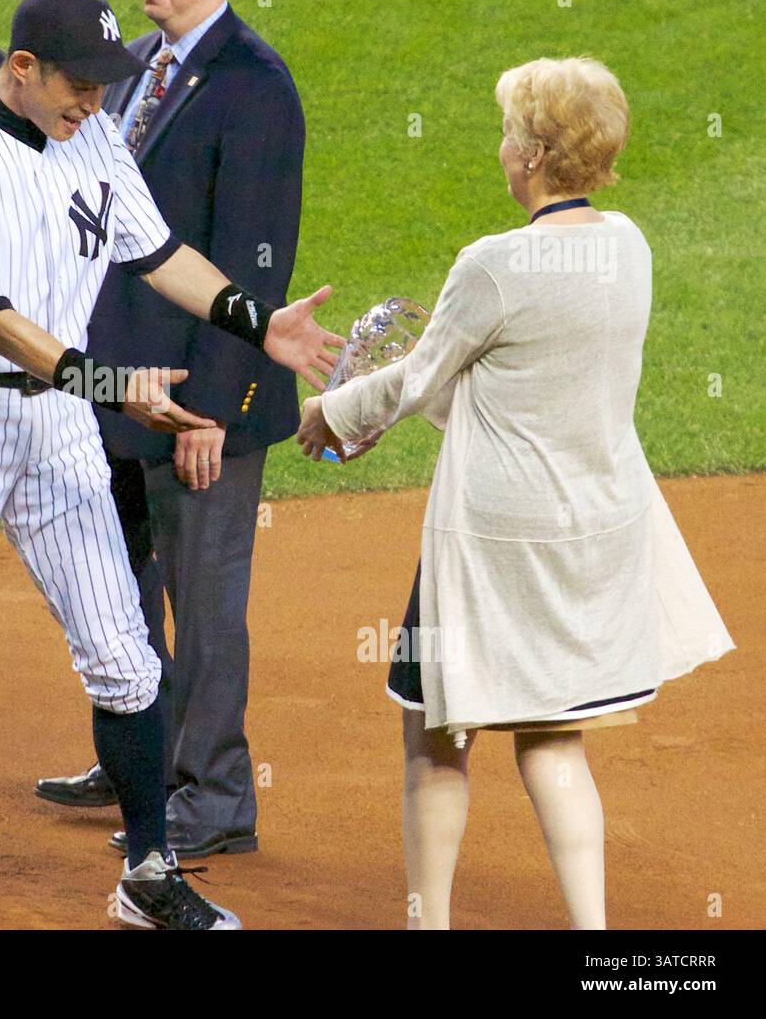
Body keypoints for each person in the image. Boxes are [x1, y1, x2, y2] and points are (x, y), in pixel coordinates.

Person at [0, 0, 343, 930]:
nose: (96, 104)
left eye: (107, 86)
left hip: (57, 424)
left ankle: (148, 874)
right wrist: (111, 386)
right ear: (23, 69)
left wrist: (257, 320)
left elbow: (158, 252)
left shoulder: (90, 132)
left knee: (128, 660)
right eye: (79, 85)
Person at [296, 56, 735, 929]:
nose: (499, 149)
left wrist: (328, 411)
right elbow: (519, 386)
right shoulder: (630, 245)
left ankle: (431, 925)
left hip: (493, 548)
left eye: (507, 134)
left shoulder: (493, 264)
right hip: (595, 532)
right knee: (553, 737)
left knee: (436, 737)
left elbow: (419, 380)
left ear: (534, 154)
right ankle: (595, 941)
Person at [33, 0, 304, 861]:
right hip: (114, 393)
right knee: (123, 587)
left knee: (205, 601)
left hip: (198, 403)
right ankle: (136, 757)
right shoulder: (137, 65)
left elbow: (252, 257)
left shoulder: (254, 86)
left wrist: (217, 416)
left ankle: (217, 800)